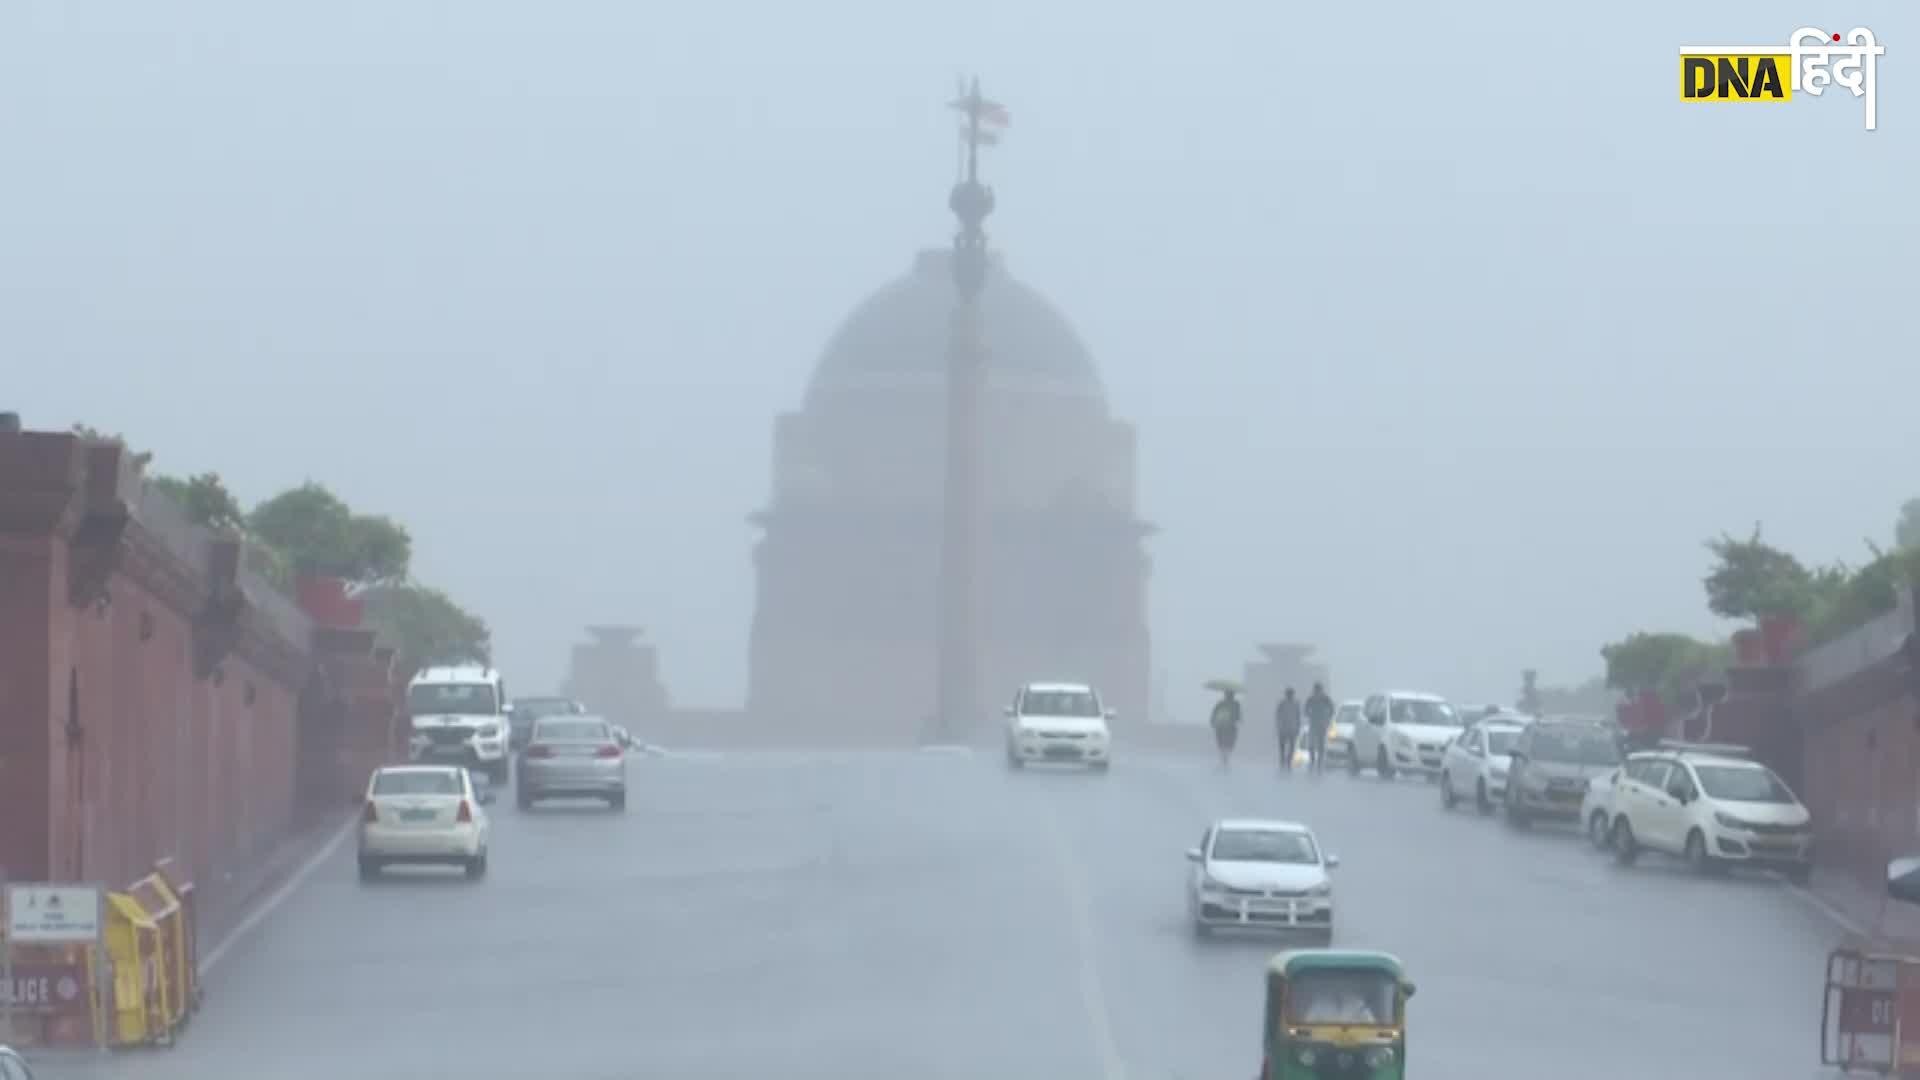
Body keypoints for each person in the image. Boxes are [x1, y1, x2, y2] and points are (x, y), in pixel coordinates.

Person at [1304, 682, 1335, 773]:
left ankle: (1317, 760)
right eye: (1317, 689)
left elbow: (1332, 709)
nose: (1317, 691)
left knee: (1318, 743)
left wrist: (1327, 718)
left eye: (1318, 689)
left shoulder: (1324, 699)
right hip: (1316, 723)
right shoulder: (1312, 699)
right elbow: (1305, 710)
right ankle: (1315, 759)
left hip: (1320, 723)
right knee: (1314, 743)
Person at [1210, 689, 1242, 770]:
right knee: (1228, 745)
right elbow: (1238, 717)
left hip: (1220, 727)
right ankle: (1225, 761)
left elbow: (1214, 714)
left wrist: (1213, 722)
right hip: (1230, 728)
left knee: (1222, 745)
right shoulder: (1236, 704)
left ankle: (1223, 761)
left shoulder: (1220, 703)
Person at [1274, 688, 1302, 773]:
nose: (1289, 695)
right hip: (1283, 728)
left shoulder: (1296, 704)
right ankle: (1283, 760)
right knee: (1282, 746)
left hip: (1292, 728)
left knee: (1292, 746)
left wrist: (1298, 727)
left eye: (1291, 694)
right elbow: (1278, 714)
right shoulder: (1282, 703)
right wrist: (1278, 726)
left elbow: (1298, 716)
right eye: (1288, 694)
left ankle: (1288, 760)